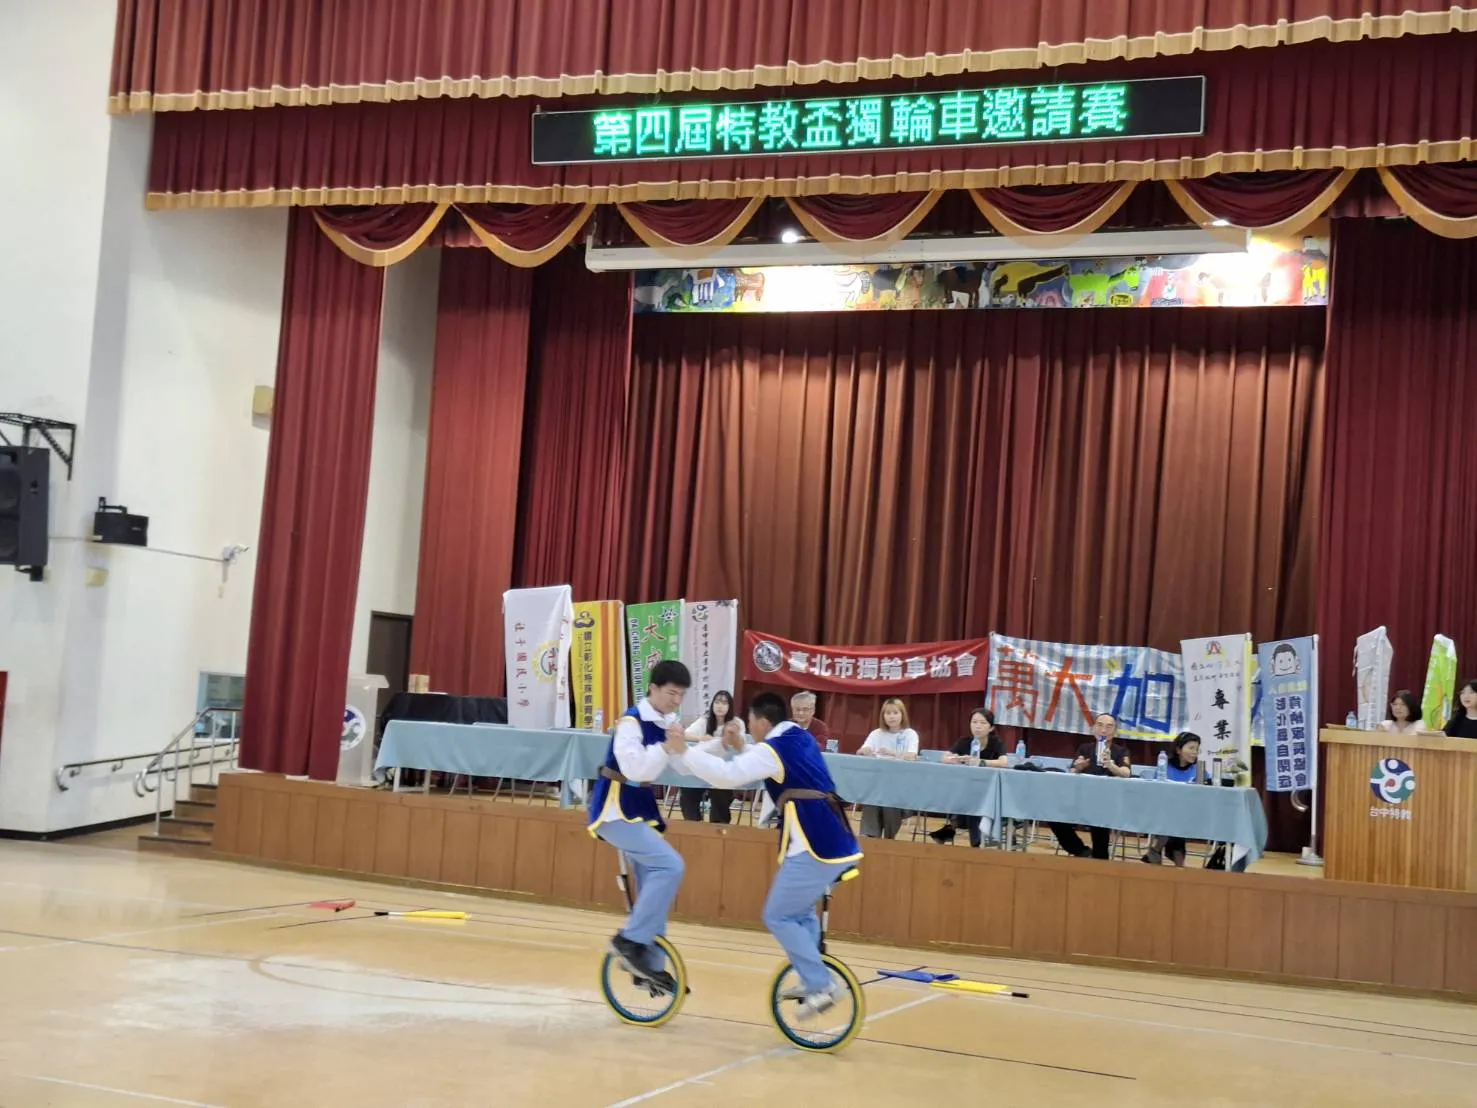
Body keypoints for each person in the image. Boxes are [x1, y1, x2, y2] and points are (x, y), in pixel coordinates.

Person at [670, 691, 863, 1015]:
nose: (749, 727)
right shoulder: (796, 735)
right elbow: (770, 764)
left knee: (778, 915)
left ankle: (821, 984)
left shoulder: (773, 748)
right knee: (800, 913)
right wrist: (740, 747)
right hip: (834, 838)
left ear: (761, 721)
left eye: (750, 722)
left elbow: (729, 775)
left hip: (815, 843)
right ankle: (811, 975)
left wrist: (684, 752)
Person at [586, 659, 692, 985]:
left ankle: (648, 966)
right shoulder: (631, 722)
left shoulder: (666, 722)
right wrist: (667, 746)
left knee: (653, 888)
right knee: (670, 867)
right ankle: (629, 941)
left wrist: (723, 747)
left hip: (637, 810)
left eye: (681, 695)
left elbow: (684, 764)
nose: (676, 701)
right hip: (615, 809)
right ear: (653, 688)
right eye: (672, 693)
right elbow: (635, 770)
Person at [1049, 712, 1131, 860]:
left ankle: (1100, 859)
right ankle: (1081, 851)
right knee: (1053, 814)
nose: (1103, 730)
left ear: (1115, 731)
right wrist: (1078, 767)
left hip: (1107, 803)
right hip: (1081, 800)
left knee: (1099, 816)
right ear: (1093, 729)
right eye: (1100, 725)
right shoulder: (1085, 748)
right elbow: (1073, 771)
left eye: (1109, 727)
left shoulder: (1121, 751)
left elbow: (1126, 773)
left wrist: (1111, 766)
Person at [930, 708, 1008, 847]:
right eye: (974, 722)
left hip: (990, 791)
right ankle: (973, 840)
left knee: (973, 800)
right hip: (966, 789)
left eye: (982, 723)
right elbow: (944, 757)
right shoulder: (964, 742)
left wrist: (981, 762)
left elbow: (1004, 762)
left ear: (991, 728)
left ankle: (952, 827)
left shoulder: (996, 743)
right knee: (970, 798)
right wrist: (957, 759)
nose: (978, 726)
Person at [856, 697, 919, 839]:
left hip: (900, 787)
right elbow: (861, 751)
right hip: (877, 785)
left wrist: (893, 753)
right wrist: (865, 751)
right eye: (888, 713)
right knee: (873, 798)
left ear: (902, 715)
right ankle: (869, 837)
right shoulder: (876, 734)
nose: (891, 716)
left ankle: (887, 839)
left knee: (888, 799)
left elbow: (912, 756)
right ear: (883, 716)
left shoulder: (910, 734)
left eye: (895, 713)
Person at [679, 690, 744, 823]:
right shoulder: (705, 720)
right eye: (717, 702)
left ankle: (717, 829)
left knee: (721, 796)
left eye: (724, 703)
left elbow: (740, 742)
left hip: (723, 772)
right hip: (701, 772)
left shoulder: (736, 723)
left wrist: (720, 740)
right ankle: (694, 826)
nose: (720, 706)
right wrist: (700, 738)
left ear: (730, 706)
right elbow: (685, 734)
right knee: (687, 791)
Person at [1143, 732, 1200, 866]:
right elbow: (1155, 789)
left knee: (1177, 818)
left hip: (1189, 814)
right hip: (1162, 811)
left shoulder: (1198, 769)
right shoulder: (1164, 766)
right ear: (1178, 750)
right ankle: (1179, 865)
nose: (1195, 752)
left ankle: (1156, 850)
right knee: (1174, 819)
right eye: (1191, 748)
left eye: (1197, 749)